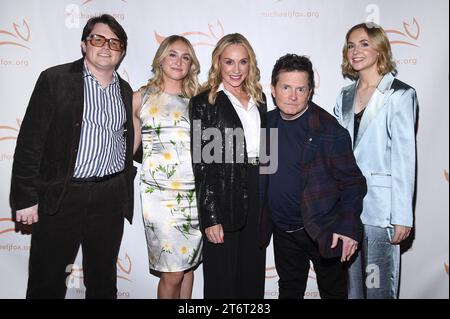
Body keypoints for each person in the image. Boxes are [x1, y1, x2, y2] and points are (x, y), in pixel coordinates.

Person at [9, 14, 135, 299]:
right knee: (47, 281)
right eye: (98, 39)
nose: (106, 47)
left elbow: (127, 143)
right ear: (84, 44)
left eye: (115, 42)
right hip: (61, 196)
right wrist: (26, 198)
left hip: (110, 198)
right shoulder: (55, 80)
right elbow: (30, 141)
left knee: (103, 283)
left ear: (122, 51)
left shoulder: (126, 92)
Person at [260, 54, 367, 299]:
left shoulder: (328, 130)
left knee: (333, 292)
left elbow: (353, 182)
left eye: (301, 89)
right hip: (283, 231)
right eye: (286, 87)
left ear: (310, 92)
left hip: (323, 226)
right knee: (289, 290)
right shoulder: (265, 125)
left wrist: (348, 228)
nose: (293, 96)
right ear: (273, 89)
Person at [334, 22, 418, 299]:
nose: (355, 51)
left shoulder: (400, 94)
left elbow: (405, 158)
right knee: (353, 290)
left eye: (364, 43)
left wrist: (402, 216)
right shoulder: (344, 95)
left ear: (380, 48)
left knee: (378, 288)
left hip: (382, 211)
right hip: (347, 209)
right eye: (351, 45)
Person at [189, 33, 267, 299]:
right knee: (222, 281)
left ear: (250, 64)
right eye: (229, 62)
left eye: (243, 62)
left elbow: (270, 154)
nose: (236, 70)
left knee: (253, 276)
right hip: (224, 194)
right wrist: (210, 216)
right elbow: (203, 164)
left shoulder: (261, 99)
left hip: (258, 192)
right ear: (218, 63)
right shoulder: (205, 103)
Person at [132, 35, 202, 299]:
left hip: (194, 196)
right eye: (173, 54)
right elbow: (130, 149)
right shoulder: (140, 98)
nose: (179, 61)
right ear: (161, 58)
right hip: (159, 196)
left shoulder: (199, 99)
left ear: (191, 64)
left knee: (186, 267)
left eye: (186, 57)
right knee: (172, 272)